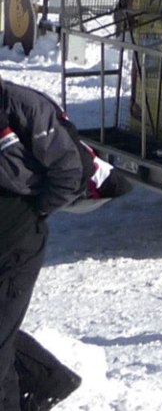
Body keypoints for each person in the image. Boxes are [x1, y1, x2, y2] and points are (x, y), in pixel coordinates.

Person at [1, 80, 89, 410]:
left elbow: (69, 170)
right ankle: (50, 380)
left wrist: (35, 211)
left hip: (18, 245)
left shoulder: (25, 107)